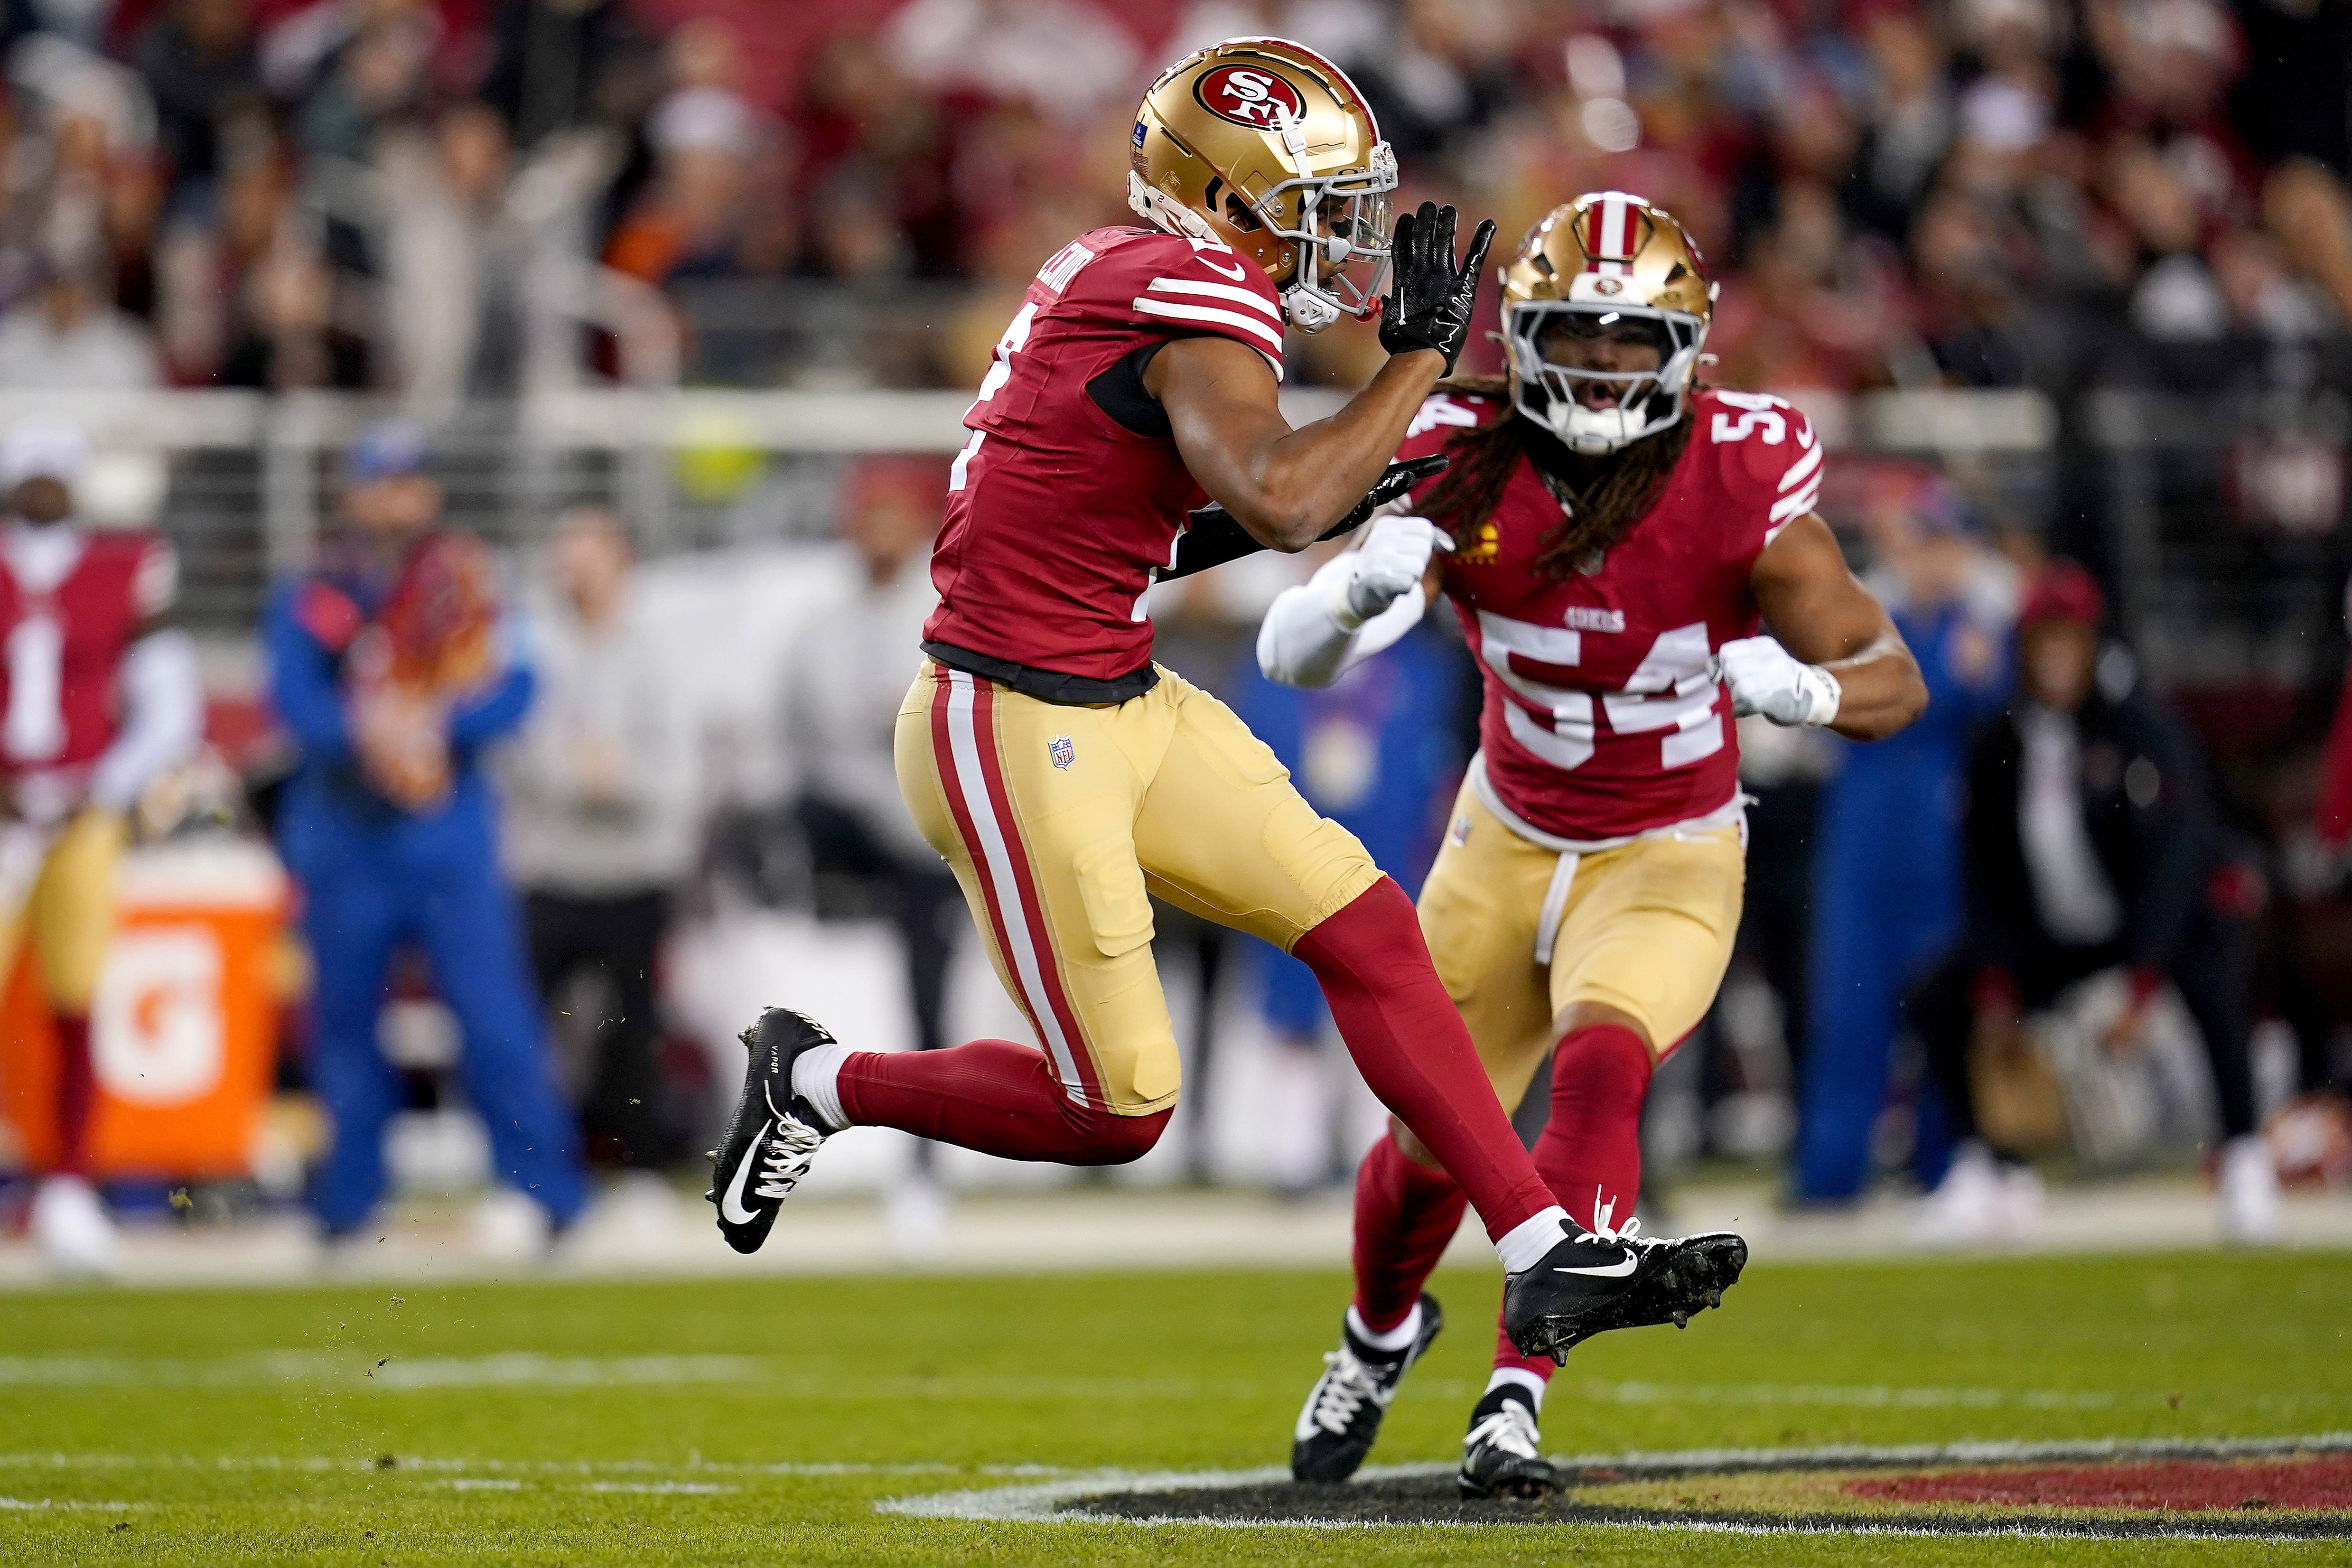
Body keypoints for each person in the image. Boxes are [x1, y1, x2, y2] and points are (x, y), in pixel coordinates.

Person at [704, 40, 1747, 1369]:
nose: (1343, 236)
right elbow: (1280, 498)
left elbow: (1154, 531)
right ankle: (814, 1081)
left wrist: (1371, 467)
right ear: (1225, 196)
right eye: (1315, 203)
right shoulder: (1191, 284)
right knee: (1119, 1107)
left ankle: (1545, 1254)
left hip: (1113, 689)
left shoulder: (1125, 269)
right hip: (1013, 724)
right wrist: (1412, 371)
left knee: (1369, 928)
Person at [1253, 192, 1929, 1496]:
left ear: (1685, 351)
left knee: (1604, 1072)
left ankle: (1514, 1396)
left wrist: (1813, 696)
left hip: (1670, 845)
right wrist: (1349, 595)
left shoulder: (1741, 478)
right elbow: (1292, 659)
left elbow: (1886, 673)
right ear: (1523, 339)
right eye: (1580, 334)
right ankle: (1379, 1332)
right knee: (1424, 1149)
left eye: (1634, 340)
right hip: (1504, 836)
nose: (1609, 365)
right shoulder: (1457, 449)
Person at [264, 421, 587, 1254]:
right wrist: (368, 734)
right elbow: (296, 704)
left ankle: (543, 1194)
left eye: (410, 481)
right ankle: (348, 1202)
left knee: (491, 1016)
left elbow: (517, 689)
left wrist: (436, 726)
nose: (396, 497)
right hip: (345, 833)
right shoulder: (316, 588)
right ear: (356, 493)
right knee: (341, 1025)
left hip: (446, 835)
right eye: (381, 480)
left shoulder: (470, 582)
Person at [1906, 561, 2277, 1243]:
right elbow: (1984, 876)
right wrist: (1995, 988)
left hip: (2142, 925)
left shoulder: (2141, 730)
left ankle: (2245, 1158)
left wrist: (2142, 983)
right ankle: (1991, 1171)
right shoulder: (1999, 745)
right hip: (2056, 932)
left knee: (2214, 968)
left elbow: (2178, 858)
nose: (2055, 657)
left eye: (2067, 640)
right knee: (1936, 995)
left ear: (2090, 644)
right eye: (2042, 641)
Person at [0, 420, 203, 1276]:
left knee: (77, 999)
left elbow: (171, 702)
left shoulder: (126, 567)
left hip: (82, 811)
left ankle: (71, 1189)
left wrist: (107, 785)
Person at [1791, 469, 2015, 1205]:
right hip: (1863, 842)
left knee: (1941, 1010)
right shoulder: (1869, 622)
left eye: (1947, 545)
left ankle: (1945, 1169)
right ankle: (1831, 1173)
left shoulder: (1982, 635)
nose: (1934, 560)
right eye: (1924, 543)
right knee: (1848, 1008)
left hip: (1942, 845)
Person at [778, 457, 965, 1257]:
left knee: (930, 1000)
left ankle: (926, 1166)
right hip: (861, 823)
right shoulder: (824, 629)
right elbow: (803, 737)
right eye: (869, 515)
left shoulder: (945, 616)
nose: (879, 532)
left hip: (929, 831)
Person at [499, 508, 696, 1195]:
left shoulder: (659, 650)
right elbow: (517, 750)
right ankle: (528, 1174)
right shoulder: (531, 647)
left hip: (635, 869)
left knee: (633, 1028)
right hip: (552, 867)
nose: (574, 573)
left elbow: (679, 767)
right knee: (524, 1026)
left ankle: (638, 1168)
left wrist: (615, 781)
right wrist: (584, 779)